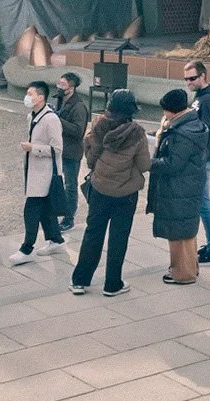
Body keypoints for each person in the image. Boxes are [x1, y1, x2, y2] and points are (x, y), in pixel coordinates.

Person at [71, 89, 150, 297]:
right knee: (118, 237)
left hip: (99, 188)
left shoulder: (97, 125)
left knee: (93, 233)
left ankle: (80, 281)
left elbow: (89, 155)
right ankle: (112, 284)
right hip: (126, 193)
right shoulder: (137, 133)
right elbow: (143, 165)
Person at [148, 88, 208, 285]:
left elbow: (173, 164)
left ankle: (182, 273)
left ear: (173, 110)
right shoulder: (191, 125)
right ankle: (190, 267)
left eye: (165, 110)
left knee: (178, 233)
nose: (164, 114)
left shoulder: (181, 133)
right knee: (186, 230)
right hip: (187, 186)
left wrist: (149, 163)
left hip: (179, 187)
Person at [9, 80, 66, 265]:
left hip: (45, 173)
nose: (27, 97)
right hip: (34, 171)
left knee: (31, 209)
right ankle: (56, 240)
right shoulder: (32, 116)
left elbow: (57, 148)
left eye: (31, 94)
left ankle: (27, 248)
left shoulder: (51, 119)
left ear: (40, 97)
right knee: (45, 210)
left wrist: (33, 148)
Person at [182, 61, 210, 262]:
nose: (188, 82)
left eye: (192, 78)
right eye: (186, 79)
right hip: (201, 156)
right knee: (202, 202)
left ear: (203, 76)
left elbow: (208, 130)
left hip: (203, 157)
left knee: (203, 203)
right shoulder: (200, 97)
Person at [52, 72, 90, 230]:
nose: (60, 87)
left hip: (72, 151)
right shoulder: (61, 101)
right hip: (60, 148)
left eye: (63, 84)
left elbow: (78, 130)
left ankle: (69, 217)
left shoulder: (79, 106)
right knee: (59, 183)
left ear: (71, 87)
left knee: (70, 185)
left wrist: (57, 120)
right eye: (59, 83)